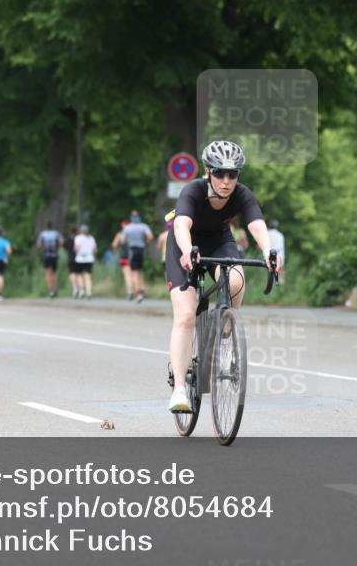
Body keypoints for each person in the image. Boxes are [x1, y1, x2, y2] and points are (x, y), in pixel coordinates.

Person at [165, 140, 273, 413]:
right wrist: (188, 250)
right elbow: (181, 224)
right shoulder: (193, 190)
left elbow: (256, 225)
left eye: (233, 174)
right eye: (219, 173)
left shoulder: (242, 194)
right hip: (185, 244)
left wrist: (270, 250)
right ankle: (179, 389)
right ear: (207, 171)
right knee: (186, 314)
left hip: (219, 242)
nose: (226, 181)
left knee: (236, 280)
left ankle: (226, 332)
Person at [121, 210, 154, 303]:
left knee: (134, 273)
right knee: (139, 271)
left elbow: (123, 241)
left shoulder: (127, 228)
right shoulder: (144, 226)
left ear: (131, 218)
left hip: (132, 250)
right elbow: (150, 236)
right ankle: (141, 288)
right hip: (142, 250)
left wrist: (129, 241)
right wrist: (145, 242)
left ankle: (139, 294)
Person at [36, 223, 62, 299]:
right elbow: (61, 242)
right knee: (54, 273)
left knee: (47, 273)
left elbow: (39, 245)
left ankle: (50, 291)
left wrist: (43, 247)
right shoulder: (56, 233)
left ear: (46, 227)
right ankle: (54, 289)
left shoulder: (42, 234)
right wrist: (58, 248)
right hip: (55, 255)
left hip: (47, 256)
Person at [73, 224, 97, 299]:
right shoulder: (91, 238)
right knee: (88, 276)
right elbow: (94, 250)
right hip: (89, 259)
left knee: (79, 275)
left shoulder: (78, 238)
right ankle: (89, 291)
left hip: (80, 259)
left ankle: (82, 290)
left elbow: (76, 248)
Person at [112, 220, 132, 299]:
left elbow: (114, 245)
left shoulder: (120, 234)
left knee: (127, 275)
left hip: (124, 256)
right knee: (134, 274)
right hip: (134, 255)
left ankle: (130, 292)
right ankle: (138, 292)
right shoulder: (133, 233)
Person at [65, 228, 83, 298]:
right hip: (79, 258)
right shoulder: (79, 240)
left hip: (71, 258)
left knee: (72, 274)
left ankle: (75, 288)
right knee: (79, 274)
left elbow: (65, 247)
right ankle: (81, 289)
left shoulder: (68, 240)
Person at [267, 219, 286, 285]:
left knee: (269, 273)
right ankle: (280, 288)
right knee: (280, 273)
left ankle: (272, 288)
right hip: (280, 256)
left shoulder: (267, 233)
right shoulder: (281, 235)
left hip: (270, 256)